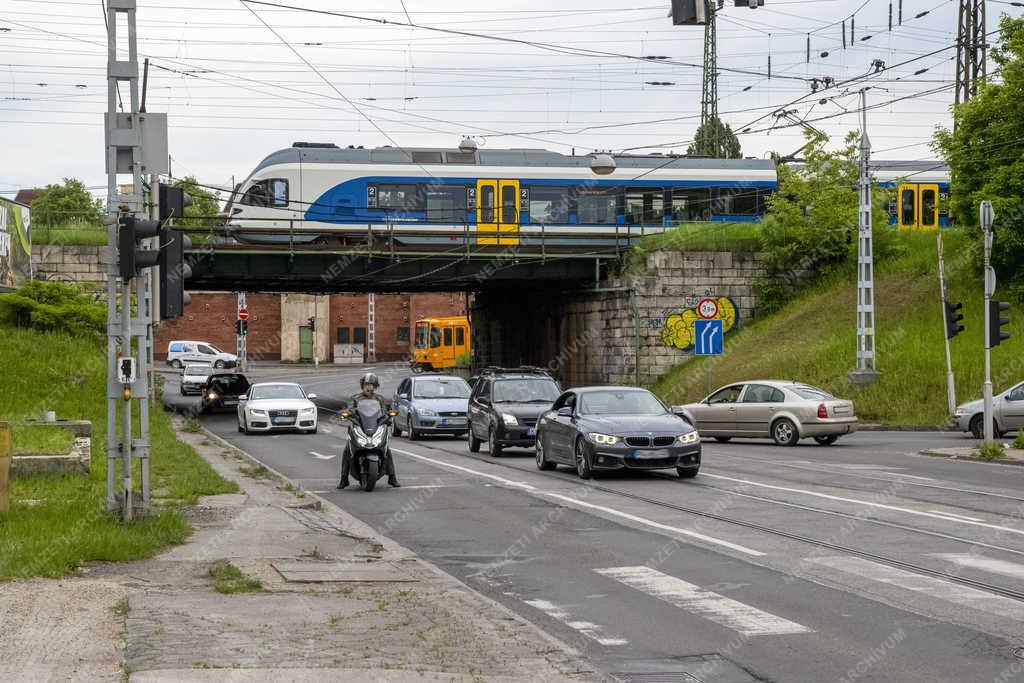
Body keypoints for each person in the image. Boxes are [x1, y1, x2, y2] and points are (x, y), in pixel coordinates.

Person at [337, 372, 400, 489]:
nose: (368, 387)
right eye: (366, 384)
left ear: (375, 386)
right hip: (359, 427)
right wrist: (347, 413)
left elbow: (384, 412)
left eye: (371, 385)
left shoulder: (379, 399)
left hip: (375, 428)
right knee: (347, 450)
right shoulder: (356, 398)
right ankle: (344, 479)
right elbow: (349, 409)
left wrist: (388, 417)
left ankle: (392, 477)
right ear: (363, 385)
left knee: (387, 449)